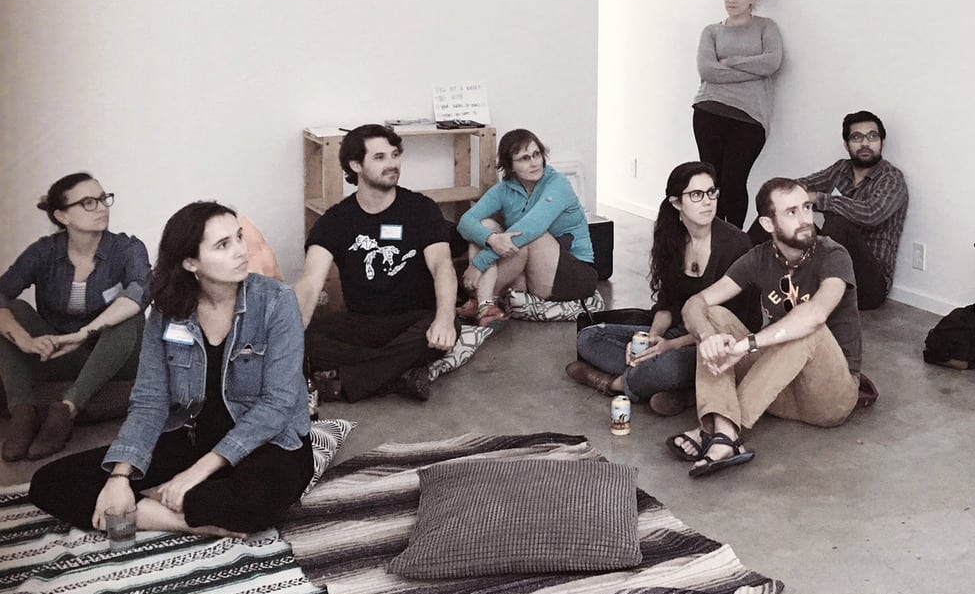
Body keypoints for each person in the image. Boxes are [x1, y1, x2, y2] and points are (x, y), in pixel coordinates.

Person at [29, 202, 314, 537]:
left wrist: (195, 473)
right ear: (191, 262)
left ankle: (152, 507)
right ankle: (181, 517)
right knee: (49, 483)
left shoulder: (277, 301)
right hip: (192, 437)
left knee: (257, 499)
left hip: (266, 442)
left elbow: (277, 405)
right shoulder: (168, 311)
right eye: (223, 245)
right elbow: (150, 401)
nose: (241, 251)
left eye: (239, 237)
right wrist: (120, 476)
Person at [671, 177, 866, 478]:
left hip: (830, 396)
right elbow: (695, 303)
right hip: (779, 388)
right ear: (767, 223)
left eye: (807, 208)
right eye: (791, 212)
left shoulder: (833, 254)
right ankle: (722, 429)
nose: (805, 219)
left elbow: (816, 314)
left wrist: (747, 344)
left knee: (807, 326)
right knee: (715, 316)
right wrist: (707, 336)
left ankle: (719, 429)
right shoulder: (760, 257)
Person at [568, 161, 753, 416]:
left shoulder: (736, 244)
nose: (708, 202)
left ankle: (615, 384)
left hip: (719, 341)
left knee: (669, 367)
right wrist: (653, 338)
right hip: (677, 331)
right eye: (696, 195)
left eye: (712, 192)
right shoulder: (672, 236)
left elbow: (733, 323)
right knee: (589, 337)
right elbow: (667, 302)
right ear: (676, 202)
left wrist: (672, 346)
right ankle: (676, 390)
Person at [295, 124, 458, 402]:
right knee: (301, 339)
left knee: (440, 330)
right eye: (380, 157)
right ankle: (394, 376)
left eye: (395, 155)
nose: (392, 164)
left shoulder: (421, 209)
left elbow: (442, 265)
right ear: (355, 165)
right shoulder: (335, 221)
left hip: (413, 320)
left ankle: (345, 383)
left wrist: (444, 319)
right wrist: (294, 332)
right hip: (361, 324)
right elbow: (310, 282)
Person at [0, 173, 149, 461]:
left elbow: (140, 292)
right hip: (63, 355)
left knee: (126, 314)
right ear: (62, 215)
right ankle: (23, 412)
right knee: (13, 310)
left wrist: (84, 333)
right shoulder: (44, 251)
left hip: (116, 356)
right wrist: (25, 341)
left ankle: (67, 409)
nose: (102, 208)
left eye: (103, 199)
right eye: (88, 202)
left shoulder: (127, 248)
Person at [757, 109, 909, 311]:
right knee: (775, 212)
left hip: (869, 285)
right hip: (831, 272)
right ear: (846, 144)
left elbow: (871, 214)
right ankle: (743, 279)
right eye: (857, 137)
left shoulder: (892, 178)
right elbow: (803, 184)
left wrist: (818, 199)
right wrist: (787, 196)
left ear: (882, 142)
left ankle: (807, 290)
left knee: (838, 223)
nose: (865, 143)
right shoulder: (841, 169)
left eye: (872, 137)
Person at [456, 128, 598, 324]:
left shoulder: (558, 184)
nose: (534, 163)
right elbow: (465, 222)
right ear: (510, 166)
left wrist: (479, 264)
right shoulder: (503, 190)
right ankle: (485, 304)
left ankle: (478, 300)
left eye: (536, 154)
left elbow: (531, 229)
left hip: (573, 274)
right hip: (532, 272)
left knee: (530, 236)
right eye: (524, 158)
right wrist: (491, 239)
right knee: (485, 226)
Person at [692, 0, 783, 226]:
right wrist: (754, 69)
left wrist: (731, 62)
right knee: (712, 182)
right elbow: (708, 71)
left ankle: (733, 239)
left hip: (749, 116)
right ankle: (712, 237)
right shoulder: (712, 31)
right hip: (709, 109)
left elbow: (772, 63)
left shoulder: (766, 27)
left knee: (733, 180)